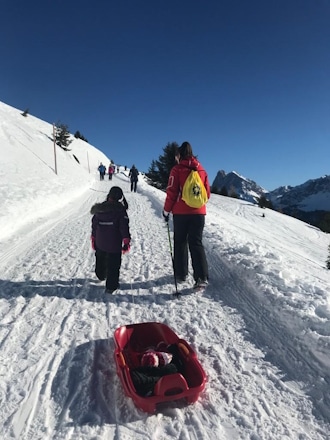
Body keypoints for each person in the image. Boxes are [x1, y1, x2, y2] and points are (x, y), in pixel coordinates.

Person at [162, 141, 210, 289]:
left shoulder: (177, 169)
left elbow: (172, 192)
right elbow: (207, 193)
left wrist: (166, 210)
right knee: (196, 243)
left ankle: (181, 273)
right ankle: (201, 277)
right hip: (199, 213)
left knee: (180, 241)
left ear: (179, 155)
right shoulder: (201, 169)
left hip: (181, 213)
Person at [90, 186, 130, 293]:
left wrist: (93, 238)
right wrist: (126, 241)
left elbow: (94, 225)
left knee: (100, 259)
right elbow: (124, 228)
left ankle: (101, 275)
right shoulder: (120, 211)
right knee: (113, 265)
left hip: (100, 242)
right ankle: (111, 286)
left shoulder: (100, 209)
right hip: (114, 244)